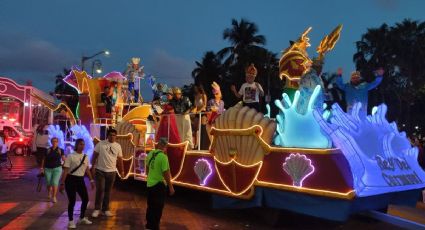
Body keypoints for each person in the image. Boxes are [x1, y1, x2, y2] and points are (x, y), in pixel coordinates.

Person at [59, 138, 95, 229]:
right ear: (76, 145)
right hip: (70, 179)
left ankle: (82, 217)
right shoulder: (71, 156)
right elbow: (66, 170)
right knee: (72, 201)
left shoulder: (85, 156)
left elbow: (87, 169)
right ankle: (71, 221)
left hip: (80, 180)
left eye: (83, 144)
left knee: (86, 199)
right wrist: (62, 183)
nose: (82, 146)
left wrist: (91, 180)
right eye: (80, 144)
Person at [90, 129, 124, 218]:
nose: (112, 137)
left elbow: (120, 159)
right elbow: (94, 155)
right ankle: (97, 209)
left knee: (108, 191)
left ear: (116, 136)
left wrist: (122, 171)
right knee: (100, 189)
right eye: (111, 135)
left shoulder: (118, 146)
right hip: (100, 171)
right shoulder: (101, 144)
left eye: (114, 135)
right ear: (107, 136)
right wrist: (92, 166)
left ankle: (105, 209)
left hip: (112, 172)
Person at [145, 138, 175, 230]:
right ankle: (154, 226)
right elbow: (166, 173)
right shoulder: (163, 157)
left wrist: (151, 178)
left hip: (150, 184)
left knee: (150, 206)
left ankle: (149, 226)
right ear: (164, 146)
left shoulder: (150, 154)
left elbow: (147, 170)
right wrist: (171, 187)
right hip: (159, 185)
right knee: (158, 207)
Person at [40, 137, 65, 203]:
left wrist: (64, 165)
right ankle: (49, 193)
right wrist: (42, 168)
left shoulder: (60, 150)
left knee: (54, 182)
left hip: (57, 168)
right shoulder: (48, 150)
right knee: (48, 183)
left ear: (58, 142)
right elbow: (43, 159)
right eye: (53, 141)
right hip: (48, 168)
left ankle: (54, 197)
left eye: (56, 141)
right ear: (51, 142)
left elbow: (63, 159)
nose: (54, 142)